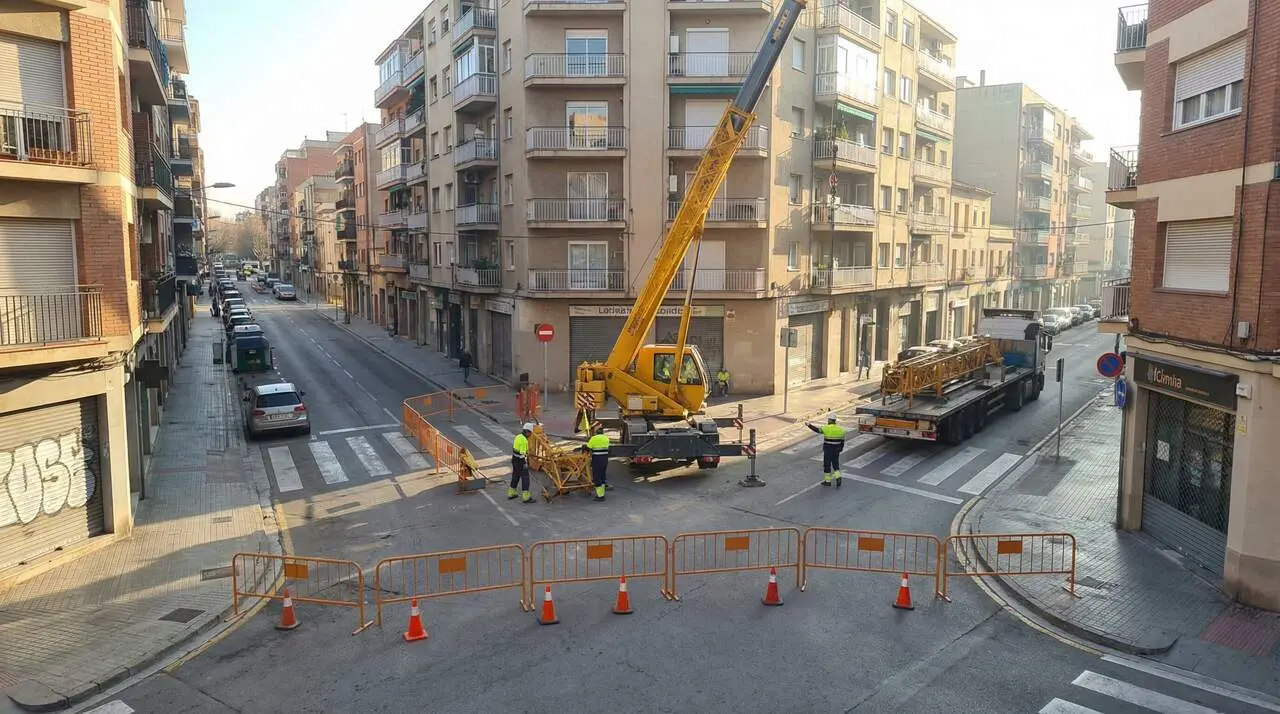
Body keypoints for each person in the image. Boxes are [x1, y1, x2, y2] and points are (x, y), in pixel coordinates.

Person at [805, 413, 846, 487]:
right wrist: (841, 449)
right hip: (837, 450)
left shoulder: (826, 428)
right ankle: (838, 478)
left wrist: (809, 425)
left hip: (828, 449)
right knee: (835, 464)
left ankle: (828, 481)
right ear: (835, 420)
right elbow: (842, 441)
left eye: (828, 419)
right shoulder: (841, 430)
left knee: (827, 465)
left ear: (830, 420)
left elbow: (817, 430)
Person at [507, 423, 536, 504]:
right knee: (525, 478)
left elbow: (517, 450)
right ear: (528, 432)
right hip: (520, 461)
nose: (530, 435)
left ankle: (511, 493)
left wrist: (527, 453)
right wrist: (525, 463)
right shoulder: (524, 440)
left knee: (515, 476)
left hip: (514, 460)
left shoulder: (518, 436)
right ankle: (526, 497)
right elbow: (522, 454)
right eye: (530, 433)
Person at [585, 425, 611, 502]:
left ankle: (600, 496)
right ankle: (602, 493)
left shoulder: (594, 438)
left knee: (597, 478)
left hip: (597, 460)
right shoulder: (606, 438)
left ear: (596, 432)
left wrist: (583, 447)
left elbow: (588, 448)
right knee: (602, 477)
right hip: (605, 460)